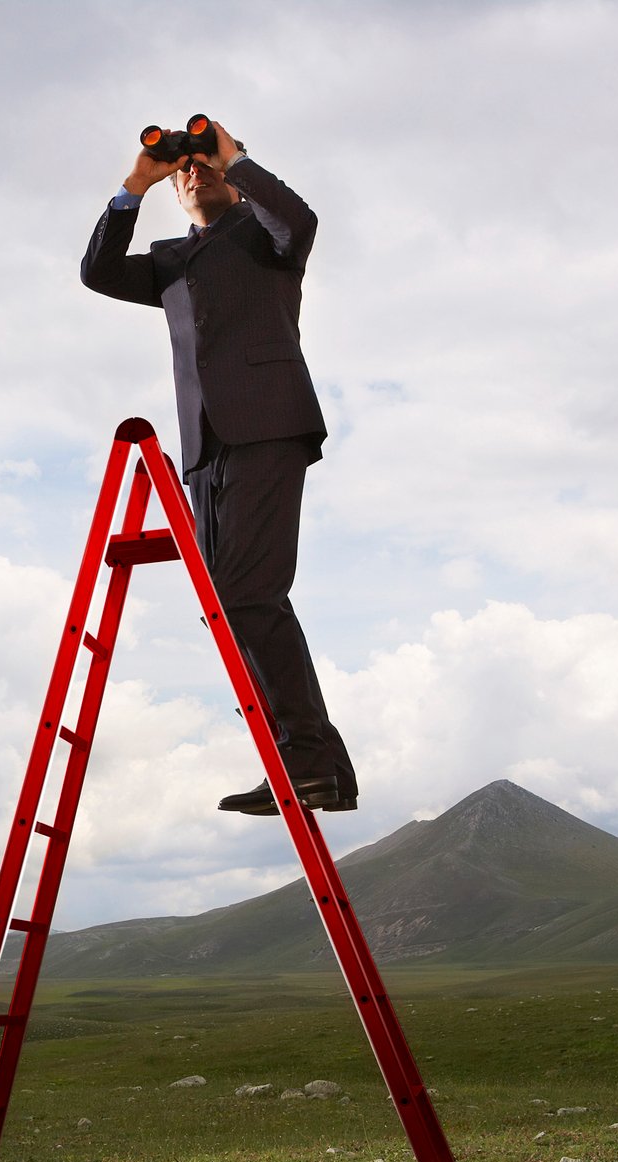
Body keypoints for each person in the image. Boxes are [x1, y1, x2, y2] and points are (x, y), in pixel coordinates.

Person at [81, 119, 357, 815]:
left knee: (244, 593)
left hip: (268, 426)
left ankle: (305, 759)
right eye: (185, 170)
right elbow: (98, 273)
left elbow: (299, 216)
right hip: (203, 448)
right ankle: (308, 762)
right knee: (227, 608)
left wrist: (233, 157)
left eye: (203, 165)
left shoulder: (265, 236)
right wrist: (136, 184)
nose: (193, 172)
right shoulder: (170, 259)